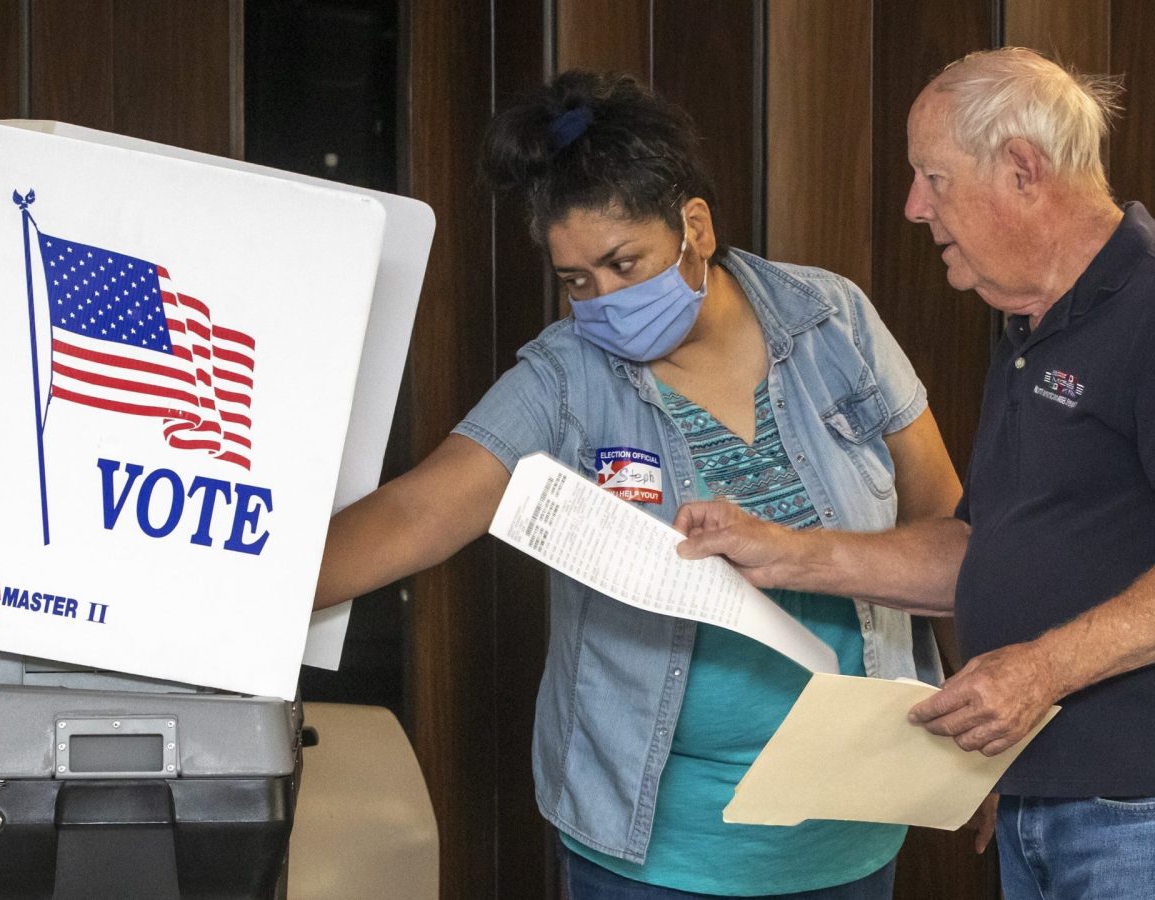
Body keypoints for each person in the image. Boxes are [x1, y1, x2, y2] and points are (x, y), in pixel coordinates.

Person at [316, 70, 962, 899]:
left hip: (849, 828)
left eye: (625, 264)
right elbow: (417, 513)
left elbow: (941, 519)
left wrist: (969, 733)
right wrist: (224, 591)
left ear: (693, 224)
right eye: (576, 280)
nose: (605, 301)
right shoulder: (564, 377)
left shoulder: (830, 318)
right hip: (655, 852)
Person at [676, 48, 1155, 899]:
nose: (913, 207)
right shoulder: (1027, 325)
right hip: (1037, 804)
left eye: (933, 177)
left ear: (1022, 171)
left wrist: (1039, 669)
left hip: (1133, 816)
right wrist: (785, 553)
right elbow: (982, 550)